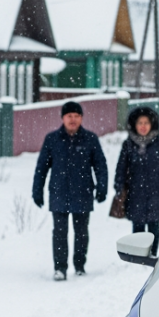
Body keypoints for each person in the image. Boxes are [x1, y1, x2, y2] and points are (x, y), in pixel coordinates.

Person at [31, 101, 108, 280]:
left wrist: (102, 186)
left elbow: (100, 165)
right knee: (59, 232)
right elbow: (42, 167)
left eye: (76, 116)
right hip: (59, 192)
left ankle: (80, 265)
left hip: (83, 192)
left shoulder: (90, 139)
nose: (72, 120)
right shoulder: (52, 139)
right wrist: (37, 190)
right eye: (69, 116)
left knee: (81, 231)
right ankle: (60, 268)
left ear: (81, 118)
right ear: (63, 118)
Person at [115, 106, 159, 256]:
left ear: (152, 124)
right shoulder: (128, 145)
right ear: (134, 125)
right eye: (140, 123)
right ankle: (138, 255)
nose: (143, 126)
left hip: (156, 193)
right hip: (135, 193)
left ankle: (152, 254)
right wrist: (119, 188)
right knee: (137, 227)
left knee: (154, 226)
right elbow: (121, 169)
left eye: (146, 122)